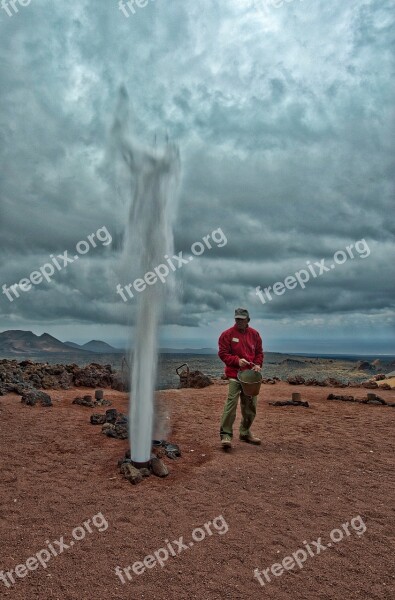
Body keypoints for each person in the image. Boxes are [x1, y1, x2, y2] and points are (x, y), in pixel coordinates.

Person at [218, 308, 264, 448]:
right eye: (237, 319)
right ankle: (226, 435)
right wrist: (236, 361)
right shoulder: (227, 334)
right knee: (231, 404)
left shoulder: (255, 335)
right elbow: (223, 354)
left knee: (250, 406)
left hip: (250, 377)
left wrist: (257, 364)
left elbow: (259, 353)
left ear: (248, 320)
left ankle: (245, 432)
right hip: (234, 374)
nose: (238, 321)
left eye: (241, 319)